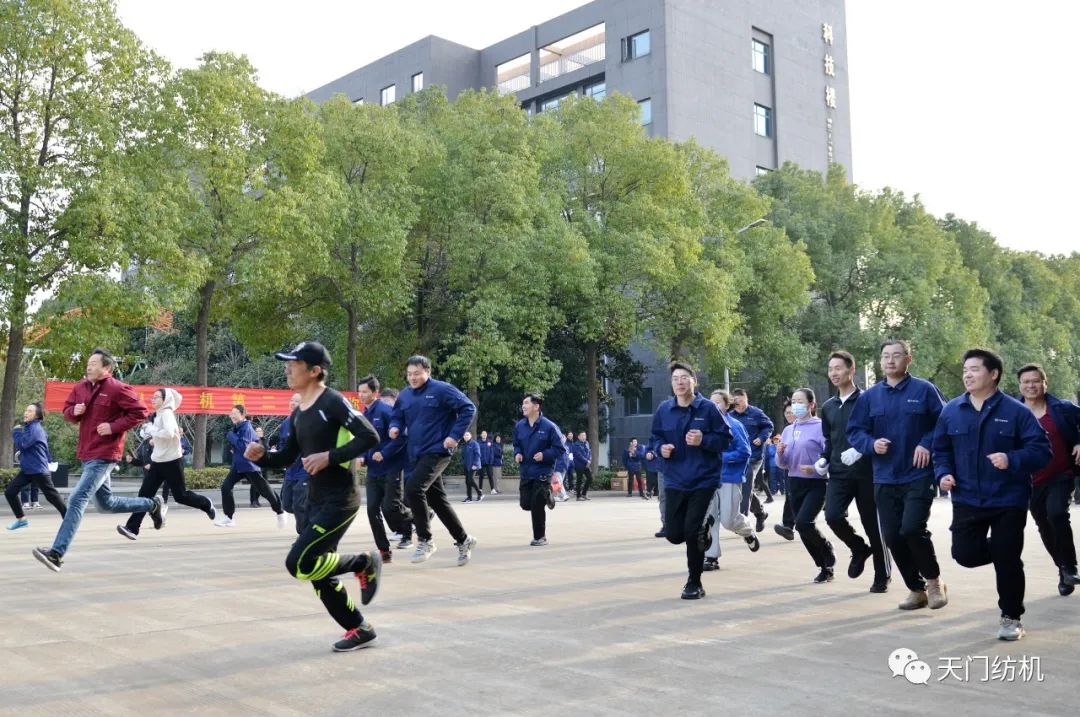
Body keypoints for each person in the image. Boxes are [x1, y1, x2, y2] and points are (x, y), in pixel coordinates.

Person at [246, 341, 383, 652]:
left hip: (341, 500)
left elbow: (369, 436)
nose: (287, 369)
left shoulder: (332, 402)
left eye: (293, 364)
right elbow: (287, 457)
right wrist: (262, 456)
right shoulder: (298, 414)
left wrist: (329, 457)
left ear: (314, 370)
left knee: (299, 562)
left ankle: (363, 561)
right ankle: (360, 629)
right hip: (315, 499)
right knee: (318, 573)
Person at [934, 349, 1052, 640]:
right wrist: (943, 474)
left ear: (993, 374)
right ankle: (1005, 552)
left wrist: (1012, 459)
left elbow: (1042, 451)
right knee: (964, 554)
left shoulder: (1016, 412)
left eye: (974, 369)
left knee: (1007, 560)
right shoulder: (951, 411)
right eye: (965, 370)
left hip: (1008, 498)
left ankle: (1011, 617)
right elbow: (940, 450)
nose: (967, 375)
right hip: (967, 497)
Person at [32, 348, 163, 572]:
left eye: (94, 363)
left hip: (105, 453)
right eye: (88, 363)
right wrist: (74, 410)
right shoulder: (80, 387)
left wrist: (113, 427)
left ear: (107, 368)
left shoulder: (118, 389)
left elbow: (140, 412)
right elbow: (67, 412)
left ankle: (56, 554)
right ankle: (152, 505)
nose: (89, 366)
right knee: (106, 504)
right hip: (87, 452)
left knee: (77, 498)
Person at [847, 339, 948, 611]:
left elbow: (944, 422)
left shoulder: (924, 390)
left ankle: (934, 582)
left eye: (896, 355)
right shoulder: (869, 397)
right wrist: (871, 444)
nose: (890, 360)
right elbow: (855, 431)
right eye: (885, 356)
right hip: (884, 476)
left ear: (908, 359)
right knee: (892, 536)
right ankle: (916, 589)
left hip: (918, 474)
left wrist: (926, 443)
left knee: (912, 528)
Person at [649, 362, 731, 600]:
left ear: (694, 381)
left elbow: (726, 439)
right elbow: (655, 438)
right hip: (675, 478)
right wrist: (660, 449)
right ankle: (703, 530)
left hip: (703, 479)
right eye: (675, 378)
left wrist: (703, 440)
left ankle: (694, 583)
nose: (680, 382)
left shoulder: (708, 409)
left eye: (685, 377)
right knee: (674, 534)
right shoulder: (664, 409)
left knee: (691, 532)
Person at [388, 355, 478, 566]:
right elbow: (397, 415)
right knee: (438, 501)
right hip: (416, 453)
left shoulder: (442, 390)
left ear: (427, 372)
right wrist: (395, 426)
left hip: (438, 450)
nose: (412, 378)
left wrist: (454, 436)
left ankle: (425, 540)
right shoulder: (405, 395)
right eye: (409, 374)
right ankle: (464, 540)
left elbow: (468, 408)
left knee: (413, 490)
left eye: (417, 374)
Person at [818, 351, 891, 593]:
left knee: (873, 525)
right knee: (832, 516)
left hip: (867, 473)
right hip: (839, 473)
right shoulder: (828, 406)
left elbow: (879, 431)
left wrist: (861, 449)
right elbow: (829, 439)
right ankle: (859, 548)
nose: (834, 373)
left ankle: (882, 575)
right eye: (830, 369)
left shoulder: (867, 400)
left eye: (838, 368)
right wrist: (824, 458)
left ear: (852, 370)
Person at [118, 388, 217, 540]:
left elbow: (169, 433)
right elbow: (160, 434)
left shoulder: (167, 413)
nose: (153, 399)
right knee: (144, 494)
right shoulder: (158, 415)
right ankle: (132, 528)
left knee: (180, 496)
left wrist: (152, 431)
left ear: (165, 400)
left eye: (156, 397)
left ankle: (206, 504)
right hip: (158, 462)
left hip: (172, 462)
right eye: (152, 397)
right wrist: (151, 433)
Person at [1016, 363, 1080, 596]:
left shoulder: (1062, 409)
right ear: (1020, 385)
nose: (1031, 385)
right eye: (1026, 382)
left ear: (1045, 383)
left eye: (1036, 381)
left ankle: (1070, 567)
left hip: (1060, 475)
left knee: (1057, 514)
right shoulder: (1013, 412)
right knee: (1044, 525)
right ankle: (1062, 570)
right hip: (1029, 482)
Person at [777, 388, 835, 582]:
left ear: (811, 404)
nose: (796, 406)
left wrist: (816, 468)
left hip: (816, 483)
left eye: (800, 401)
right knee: (802, 529)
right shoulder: (788, 430)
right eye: (793, 402)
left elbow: (830, 455)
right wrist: (779, 453)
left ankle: (827, 549)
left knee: (803, 522)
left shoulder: (820, 427)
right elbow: (783, 464)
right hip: (794, 482)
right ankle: (824, 567)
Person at [701, 390, 760, 572]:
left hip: (730, 478)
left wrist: (721, 457)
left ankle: (748, 532)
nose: (714, 406)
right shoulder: (706, 427)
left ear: (727, 405)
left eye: (718, 402)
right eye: (711, 402)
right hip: (709, 479)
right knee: (709, 518)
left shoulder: (734, 425)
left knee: (728, 520)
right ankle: (711, 556)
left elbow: (745, 452)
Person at [215, 405, 285, 528]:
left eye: (235, 413)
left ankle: (280, 512)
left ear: (242, 414)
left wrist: (231, 436)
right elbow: (239, 445)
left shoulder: (246, 427)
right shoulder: (237, 427)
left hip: (249, 465)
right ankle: (229, 518)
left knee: (264, 490)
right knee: (225, 487)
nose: (232, 416)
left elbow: (244, 447)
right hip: (238, 466)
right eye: (231, 413)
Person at [364, 385, 414, 550]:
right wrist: (362, 457)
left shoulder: (386, 411)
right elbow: (363, 440)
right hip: (373, 470)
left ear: (374, 393)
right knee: (372, 509)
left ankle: (409, 529)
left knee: (391, 507)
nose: (361, 395)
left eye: (365, 392)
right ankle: (383, 548)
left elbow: (402, 438)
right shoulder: (365, 415)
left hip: (392, 468)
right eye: (360, 391)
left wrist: (384, 453)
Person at [513, 394, 565, 546]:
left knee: (537, 505)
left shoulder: (549, 427)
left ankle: (540, 537)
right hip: (526, 470)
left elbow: (560, 449)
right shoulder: (520, 426)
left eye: (526, 403)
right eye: (523, 403)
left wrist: (544, 455)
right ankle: (548, 494)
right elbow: (516, 444)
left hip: (543, 471)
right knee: (525, 504)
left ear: (536, 406)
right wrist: (517, 453)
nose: (523, 406)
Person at [6, 403, 66, 530]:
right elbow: (43, 448)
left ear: (37, 415)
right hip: (29, 469)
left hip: (38, 469)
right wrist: (49, 460)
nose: (26, 413)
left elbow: (22, 445)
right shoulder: (31, 428)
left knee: (52, 496)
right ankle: (22, 520)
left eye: (30, 411)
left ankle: (69, 518)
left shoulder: (35, 429)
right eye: (26, 410)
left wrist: (16, 432)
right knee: (10, 492)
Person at [729, 389, 772, 532]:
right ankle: (760, 513)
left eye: (741, 401)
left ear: (746, 399)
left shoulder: (756, 413)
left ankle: (743, 520)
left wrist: (761, 438)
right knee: (743, 487)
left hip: (754, 457)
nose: (738, 404)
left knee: (745, 484)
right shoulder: (730, 415)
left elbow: (769, 426)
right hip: (737, 457)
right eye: (735, 402)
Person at [277, 393, 311, 535]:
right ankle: (312, 512)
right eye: (291, 400)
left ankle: (303, 535)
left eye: (296, 401)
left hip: (305, 470)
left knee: (298, 505)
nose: (292, 403)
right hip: (290, 470)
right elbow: (281, 443)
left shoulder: (309, 421)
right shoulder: (286, 423)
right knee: (286, 504)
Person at [774, 404, 798, 541]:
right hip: (790, 468)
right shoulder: (787, 430)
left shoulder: (812, 426)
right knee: (790, 496)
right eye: (786, 412)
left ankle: (801, 523)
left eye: (791, 412)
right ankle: (788, 526)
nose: (789, 415)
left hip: (807, 469)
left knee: (798, 497)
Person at [461, 431, 484, 503]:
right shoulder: (464, 444)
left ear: (470, 436)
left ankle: (480, 493)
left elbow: (477, 454)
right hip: (466, 465)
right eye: (465, 435)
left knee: (470, 480)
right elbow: (463, 455)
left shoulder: (474, 444)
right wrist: (462, 462)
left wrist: (475, 464)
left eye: (467, 435)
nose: (466, 436)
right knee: (467, 481)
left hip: (473, 465)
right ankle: (469, 497)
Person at [572, 431, 593, 501]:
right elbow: (578, 455)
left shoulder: (587, 443)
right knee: (579, 480)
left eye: (585, 435)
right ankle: (578, 496)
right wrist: (587, 461)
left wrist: (589, 459)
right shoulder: (575, 445)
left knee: (590, 478)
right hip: (579, 465)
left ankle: (583, 494)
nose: (584, 437)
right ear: (578, 437)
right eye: (582, 435)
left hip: (586, 465)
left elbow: (589, 452)